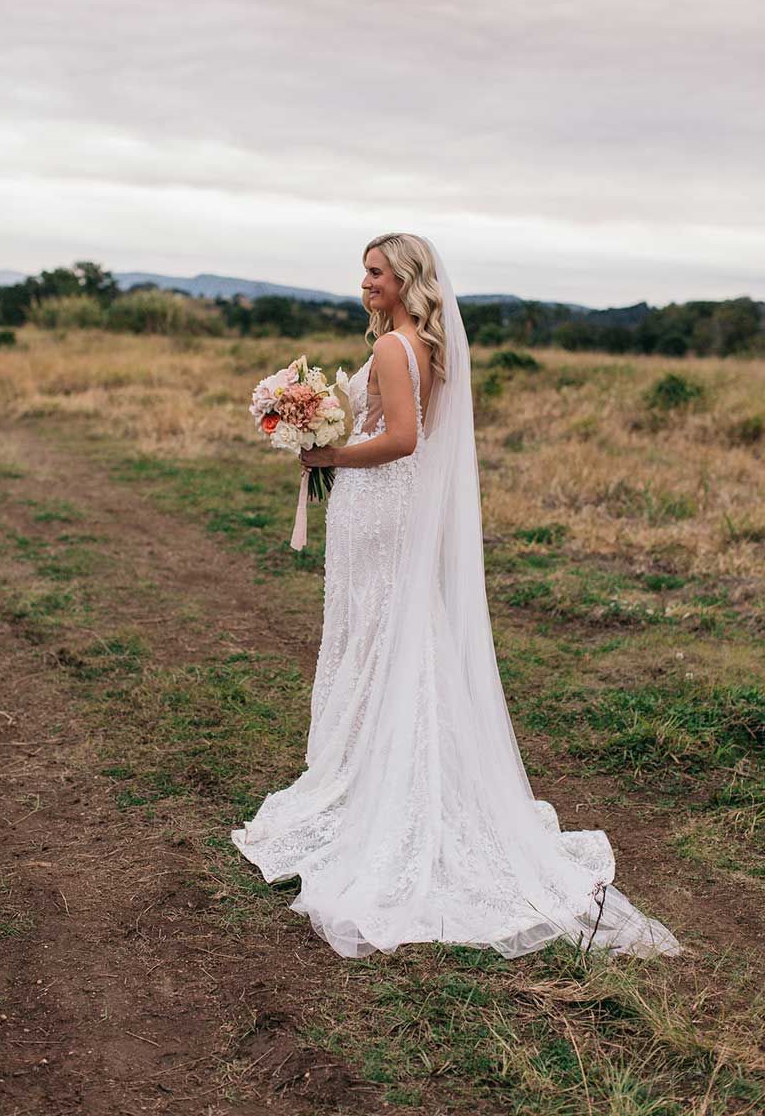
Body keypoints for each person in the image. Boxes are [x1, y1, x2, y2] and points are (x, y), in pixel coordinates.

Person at [230, 233, 681, 961]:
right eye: (365, 271)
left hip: (380, 503)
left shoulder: (392, 350)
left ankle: (385, 787)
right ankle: (382, 769)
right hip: (390, 508)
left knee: (382, 631)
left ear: (407, 279)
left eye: (376, 272)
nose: (365, 281)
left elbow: (404, 438)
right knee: (395, 632)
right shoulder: (424, 346)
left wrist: (328, 454)